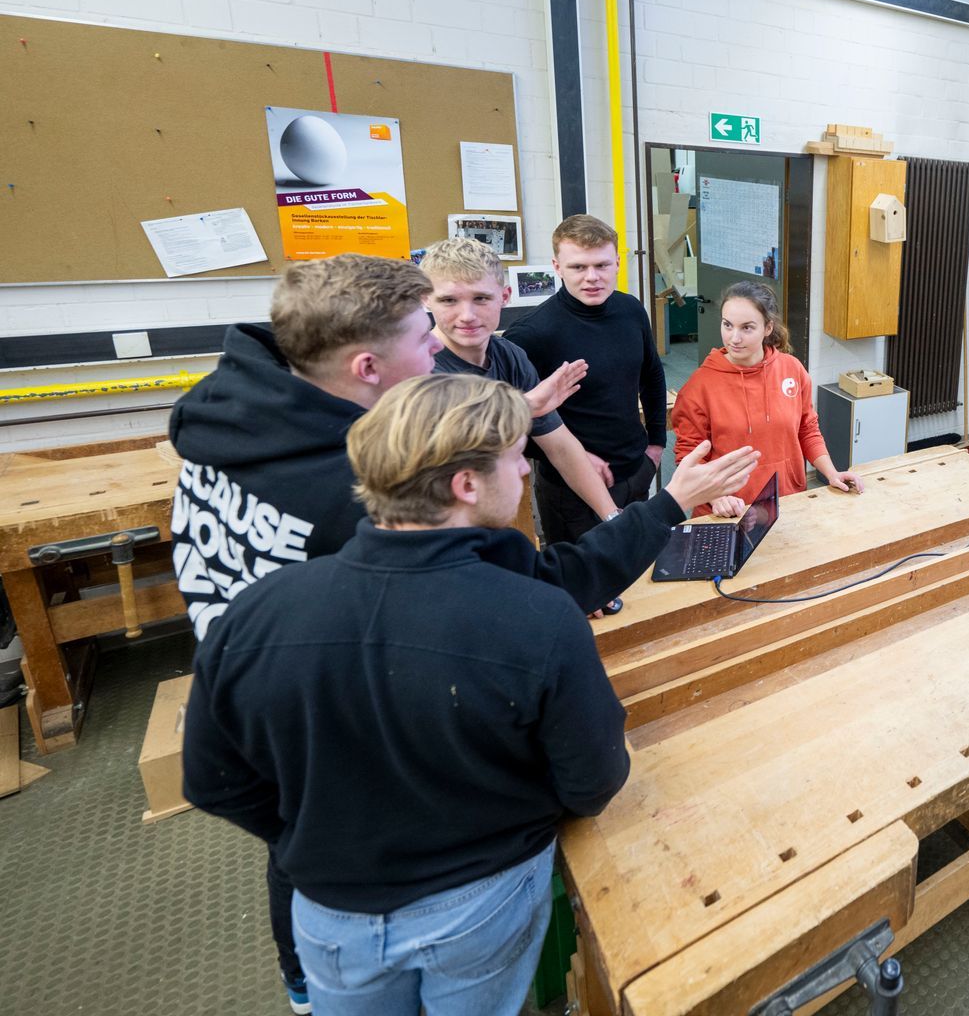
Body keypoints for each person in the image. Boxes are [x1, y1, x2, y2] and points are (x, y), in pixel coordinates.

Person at [168, 253, 756, 1014]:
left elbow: (214, 778)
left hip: (310, 797)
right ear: (369, 368)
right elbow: (552, 644)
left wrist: (317, 837)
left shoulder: (241, 422)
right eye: (427, 331)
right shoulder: (344, 496)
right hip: (422, 813)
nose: (442, 340)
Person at [184, 375, 629, 1016]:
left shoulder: (256, 612)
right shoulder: (539, 617)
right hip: (483, 900)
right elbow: (593, 781)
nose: (524, 471)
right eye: (515, 457)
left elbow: (212, 781)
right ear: (466, 484)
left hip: (331, 910)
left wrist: (319, 837)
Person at [421, 237, 621, 524]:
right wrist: (523, 406)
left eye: (481, 298)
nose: (467, 316)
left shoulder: (509, 356)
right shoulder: (416, 367)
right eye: (449, 300)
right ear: (426, 299)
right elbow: (439, 452)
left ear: (504, 296)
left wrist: (613, 517)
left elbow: (560, 447)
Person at [506, 215, 669, 543]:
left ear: (618, 263)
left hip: (635, 472)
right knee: (582, 574)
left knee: (640, 564)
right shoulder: (530, 335)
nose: (592, 277)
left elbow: (652, 375)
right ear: (557, 267)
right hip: (571, 493)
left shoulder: (631, 310)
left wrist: (656, 445)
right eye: (578, 267)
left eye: (602, 265)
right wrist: (576, 461)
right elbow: (513, 423)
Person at [670, 280, 864, 518]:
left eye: (747, 328)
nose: (734, 338)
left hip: (787, 503)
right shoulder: (699, 386)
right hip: (729, 512)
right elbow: (689, 456)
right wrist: (717, 498)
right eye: (727, 325)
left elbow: (807, 429)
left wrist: (832, 473)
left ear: (768, 328)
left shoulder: (792, 369)